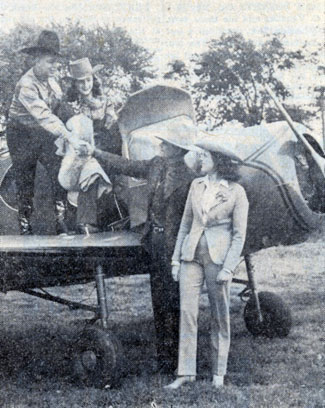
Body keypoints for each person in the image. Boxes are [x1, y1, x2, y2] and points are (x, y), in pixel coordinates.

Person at [87, 132, 199, 374]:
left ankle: (182, 362)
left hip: (176, 246)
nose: (159, 145)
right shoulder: (156, 164)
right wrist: (95, 152)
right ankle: (165, 359)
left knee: (176, 303)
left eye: (165, 143)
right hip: (155, 242)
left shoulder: (190, 178)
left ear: (176, 149)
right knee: (159, 300)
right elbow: (126, 166)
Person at [165, 143, 249, 389]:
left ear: (218, 160)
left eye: (205, 155)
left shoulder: (236, 192)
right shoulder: (196, 185)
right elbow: (185, 224)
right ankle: (186, 372)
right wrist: (176, 259)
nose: (200, 158)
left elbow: (239, 235)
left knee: (219, 315)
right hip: (191, 256)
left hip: (218, 259)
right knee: (187, 312)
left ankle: (218, 372)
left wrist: (229, 267)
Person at [6, 30, 79, 235]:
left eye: (56, 62)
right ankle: (25, 226)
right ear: (35, 60)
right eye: (49, 62)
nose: (54, 66)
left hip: (40, 131)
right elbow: (45, 116)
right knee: (24, 177)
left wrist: (78, 123)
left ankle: (61, 221)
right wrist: (69, 136)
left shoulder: (51, 81)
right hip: (20, 133)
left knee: (59, 169)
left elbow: (60, 107)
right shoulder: (26, 86)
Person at [57, 58, 123, 233]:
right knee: (90, 167)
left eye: (89, 80)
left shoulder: (105, 101)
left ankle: (117, 217)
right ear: (74, 84)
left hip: (106, 148)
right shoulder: (69, 106)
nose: (86, 85)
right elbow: (69, 134)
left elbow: (113, 129)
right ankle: (85, 222)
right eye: (81, 82)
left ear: (94, 80)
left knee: (103, 164)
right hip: (80, 152)